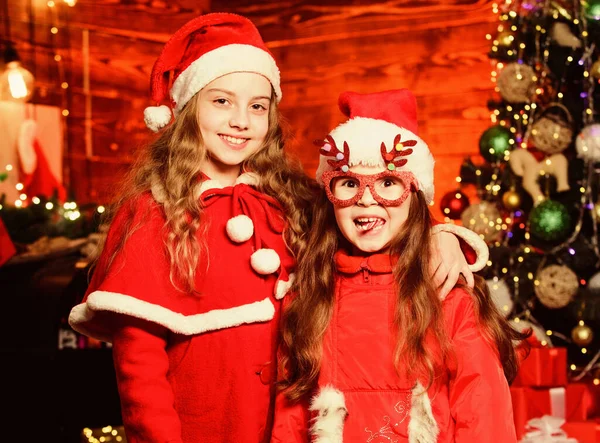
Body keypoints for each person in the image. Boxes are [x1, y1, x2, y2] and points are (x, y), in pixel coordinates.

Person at [68, 14, 489, 443]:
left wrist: (442, 234)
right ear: (188, 105)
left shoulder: (289, 199)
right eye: (221, 101)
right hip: (203, 429)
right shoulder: (152, 210)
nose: (241, 121)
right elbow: (138, 364)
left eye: (257, 106)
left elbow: (374, 206)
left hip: (291, 428)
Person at [271, 89, 526, 443]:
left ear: (415, 195)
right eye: (349, 184)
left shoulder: (450, 300)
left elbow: (485, 418)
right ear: (330, 196)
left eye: (388, 183)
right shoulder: (308, 298)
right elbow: (291, 416)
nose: (365, 199)